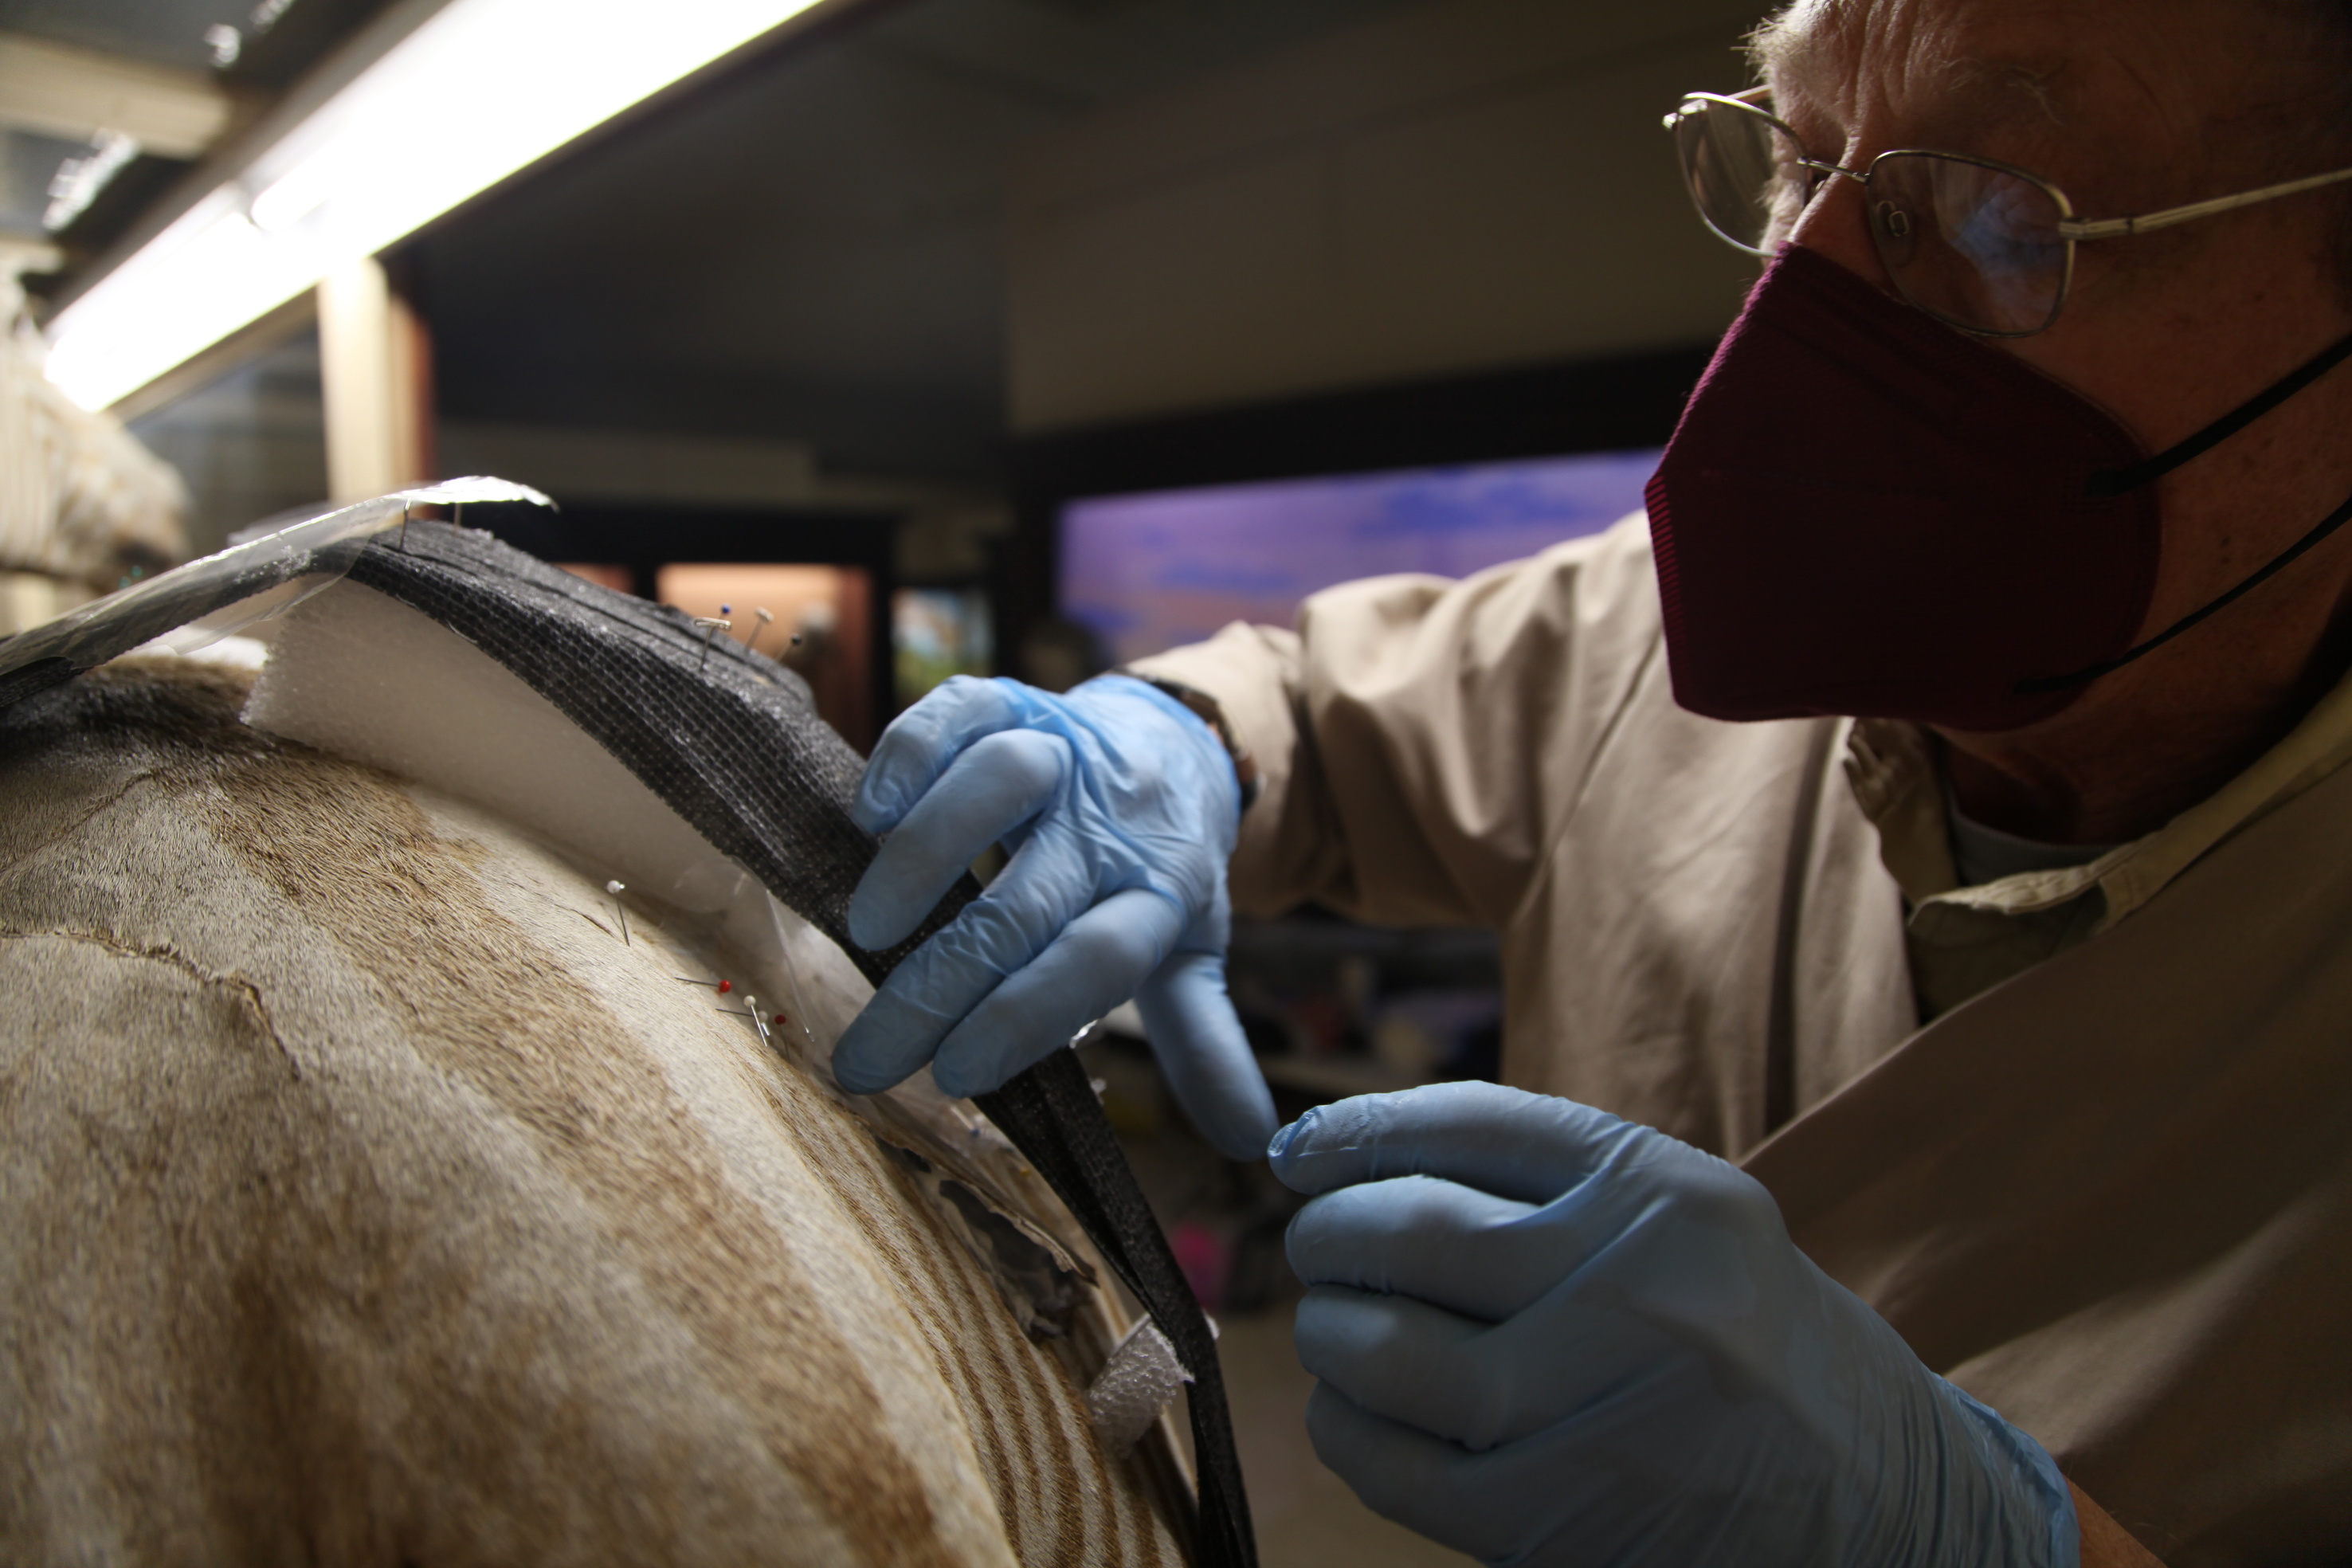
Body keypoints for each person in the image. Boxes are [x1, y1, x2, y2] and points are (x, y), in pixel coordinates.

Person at [831, 1, 2352, 1562]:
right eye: (1802, 162)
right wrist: (1168, 743)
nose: (1800, 303)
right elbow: (1319, 710)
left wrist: (1986, 1543)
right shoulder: (1664, 629)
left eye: (1996, 209)